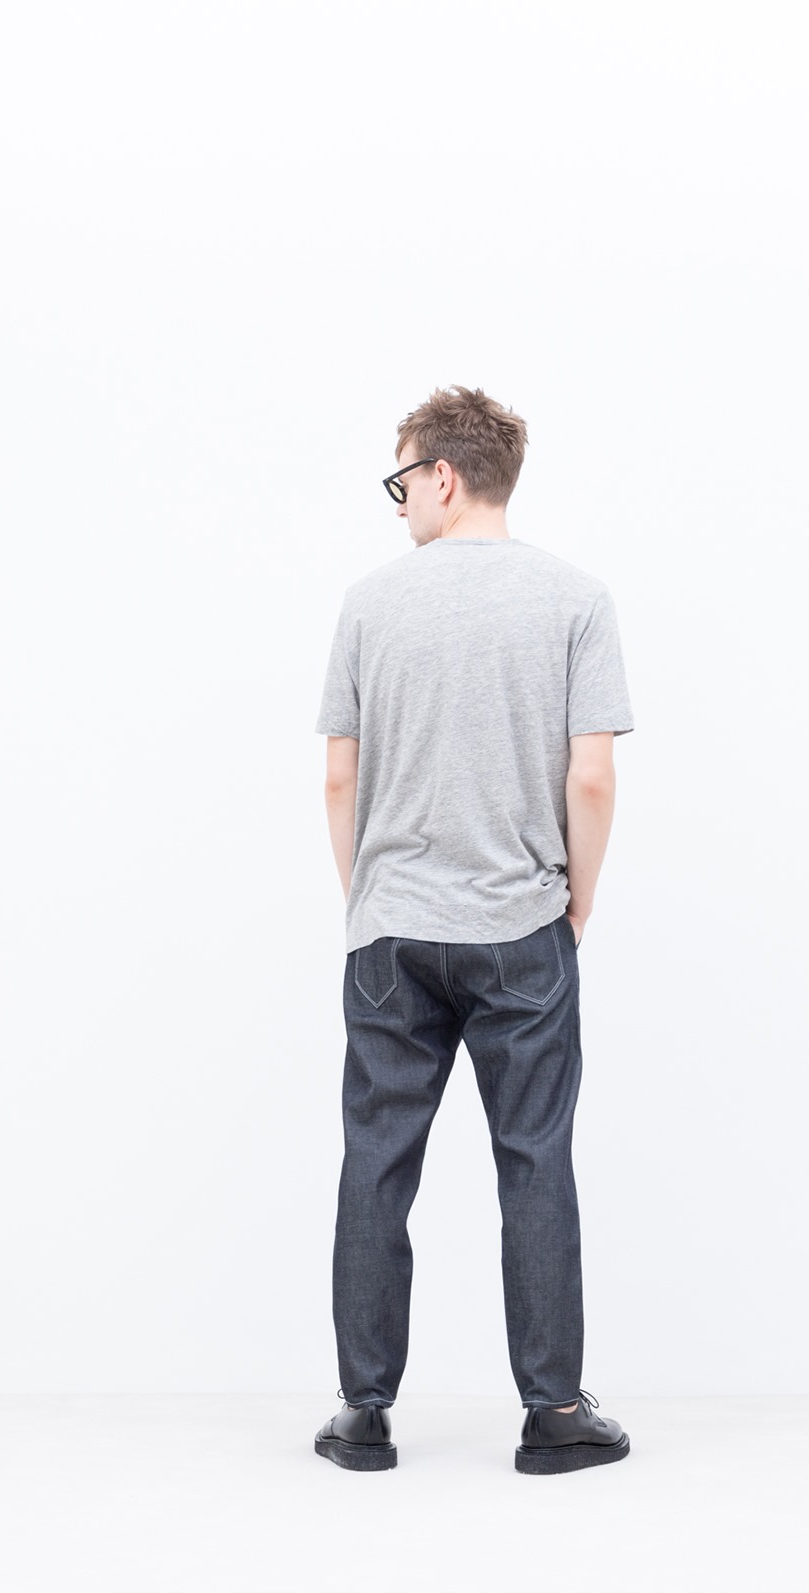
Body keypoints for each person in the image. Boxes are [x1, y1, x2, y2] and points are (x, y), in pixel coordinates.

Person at [312, 384, 634, 1475]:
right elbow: (592, 780)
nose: (399, 501)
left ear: (444, 477)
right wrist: (576, 899)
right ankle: (554, 1415)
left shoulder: (368, 604)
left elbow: (339, 777)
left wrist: (370, 899)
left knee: (376, 1162)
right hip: (521, 925)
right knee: (535, 1161)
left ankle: (363, 1415)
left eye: (402, 480)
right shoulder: (576, 600)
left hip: (391, 933)